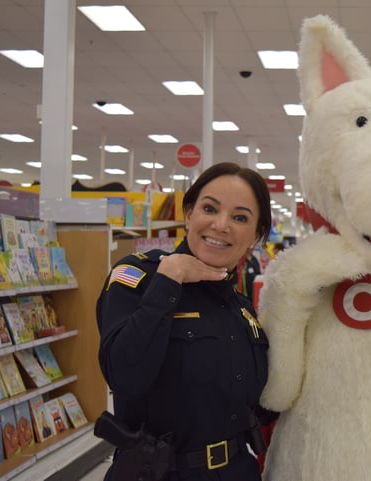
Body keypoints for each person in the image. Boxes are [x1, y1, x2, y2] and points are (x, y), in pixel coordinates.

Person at [97, 162, 275, 481]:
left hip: (238, 471)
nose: (221, 225)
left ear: (255, 236)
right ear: (189, 213)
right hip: (159, 473)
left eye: (240, 217)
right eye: (209, 208)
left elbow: (264, 405)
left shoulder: (244, 313)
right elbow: (124, 375)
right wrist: (169, 280)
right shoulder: (139, 278)